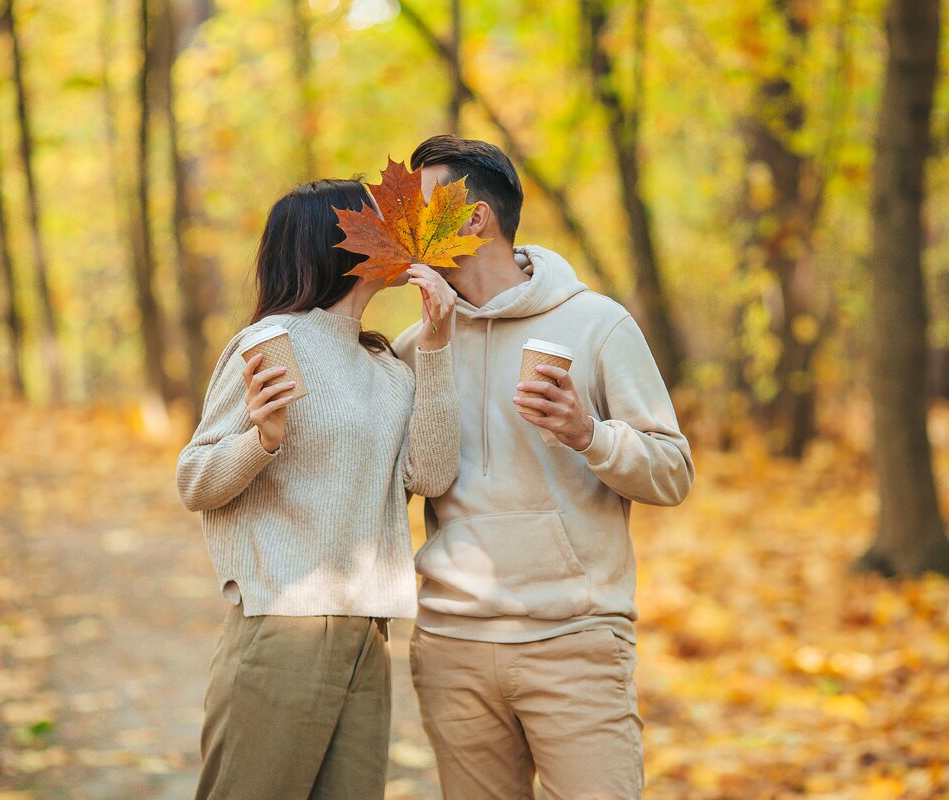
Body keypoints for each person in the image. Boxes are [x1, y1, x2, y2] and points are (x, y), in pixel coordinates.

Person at [394, 135, 695, 800]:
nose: (401, 223)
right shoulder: (416, 347)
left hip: (576, 642)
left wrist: (588, 434)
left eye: (417, 208)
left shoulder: (597, 326)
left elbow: (673, 472)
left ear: (474, 219)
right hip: (452, 647)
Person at [176, 178, 460, 800]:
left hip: (369, 633)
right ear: (341, 245)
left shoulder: (386, 367)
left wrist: (435, 346)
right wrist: (263, 439)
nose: (400, 233)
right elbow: (195, 481)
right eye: (380, 223)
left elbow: (429, 476)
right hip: (284, 627)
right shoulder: (271, 343)